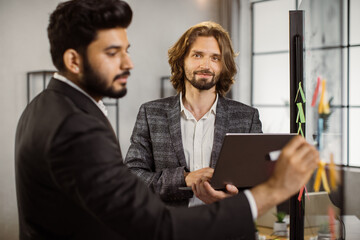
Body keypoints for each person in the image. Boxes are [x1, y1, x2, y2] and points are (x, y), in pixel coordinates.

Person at [14, 0, 319, 239]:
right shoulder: (78, 125)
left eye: (215, 58)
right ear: (73, 60)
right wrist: (187, 180)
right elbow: (144, 203)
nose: (128, 63)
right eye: (112, 52)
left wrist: (242, 193)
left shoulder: (45, 106)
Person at [125, 21, 262, 207]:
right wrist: (184, 179)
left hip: (224, 228)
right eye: (197, 55)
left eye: (215, 58)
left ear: (224, 65)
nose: (206, 65)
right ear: (182, 60)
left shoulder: (247, 117)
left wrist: (233, 199)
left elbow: (257, 181)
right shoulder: (151, 113)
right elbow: (133, 176)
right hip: (169, 227)